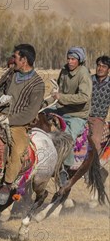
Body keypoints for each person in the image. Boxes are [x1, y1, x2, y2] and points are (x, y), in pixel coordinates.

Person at [0, 44, 45, 204]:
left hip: (18, 124)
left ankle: (7, 184)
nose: (12, 60)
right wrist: (0, 98)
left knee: (18, 150)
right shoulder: (11, 73)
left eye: (15, 57)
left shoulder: (38, 84)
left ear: (24, 60)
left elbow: (30, 112)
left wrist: (10, 120)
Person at [46, 47, 92, 183]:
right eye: (68, 58)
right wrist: (45, 103)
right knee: (39, 118)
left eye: (73, 59)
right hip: (61, 108)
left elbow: (84, 97)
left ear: (80, 60)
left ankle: (64, 169)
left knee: (67, 136)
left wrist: (62, 98)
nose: (70, 61)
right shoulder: (64, 70)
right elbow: (57, 91)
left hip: (77, 114)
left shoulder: (84, 74)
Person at [88, 55, 110, 155]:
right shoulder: (88, 80)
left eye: (104, 66)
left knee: (95, 143)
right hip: (83, 115)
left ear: (108, 69)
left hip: (98, 118)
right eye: (98, 65)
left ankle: (94, 168)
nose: (100, 68)